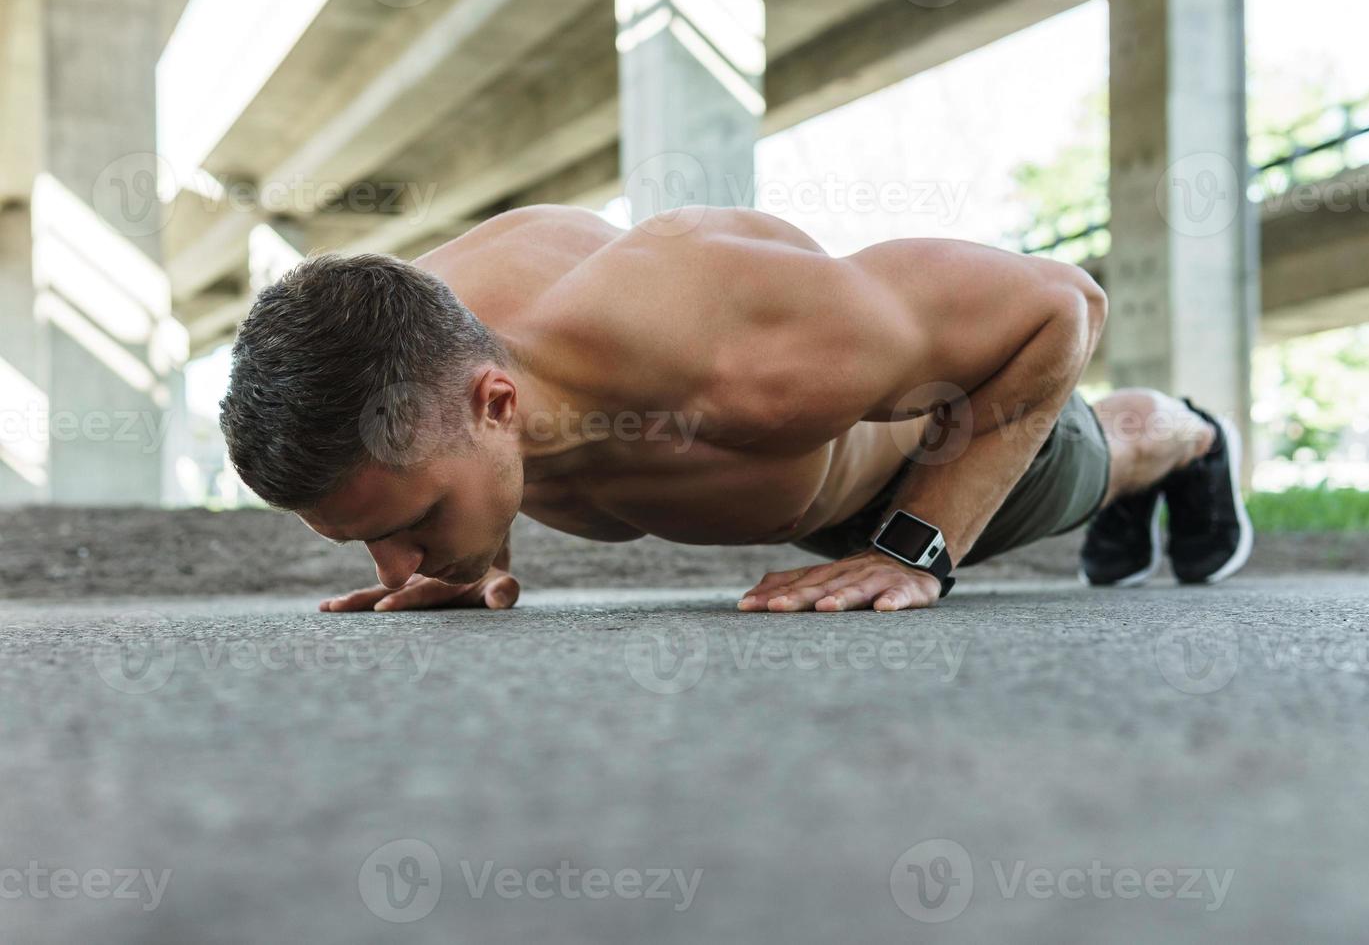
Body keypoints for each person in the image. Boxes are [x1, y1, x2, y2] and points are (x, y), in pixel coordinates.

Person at [219, 204, 1251, 614]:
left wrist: (914, 547)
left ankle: (1195, 440)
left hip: (923, 461)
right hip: (789, 502)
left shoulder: (740, 345)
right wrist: (458, 556)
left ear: (498, 402)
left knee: (1104, 452)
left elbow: (1061, 303)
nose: (392, 568)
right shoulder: (421, 345)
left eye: (406, 527)